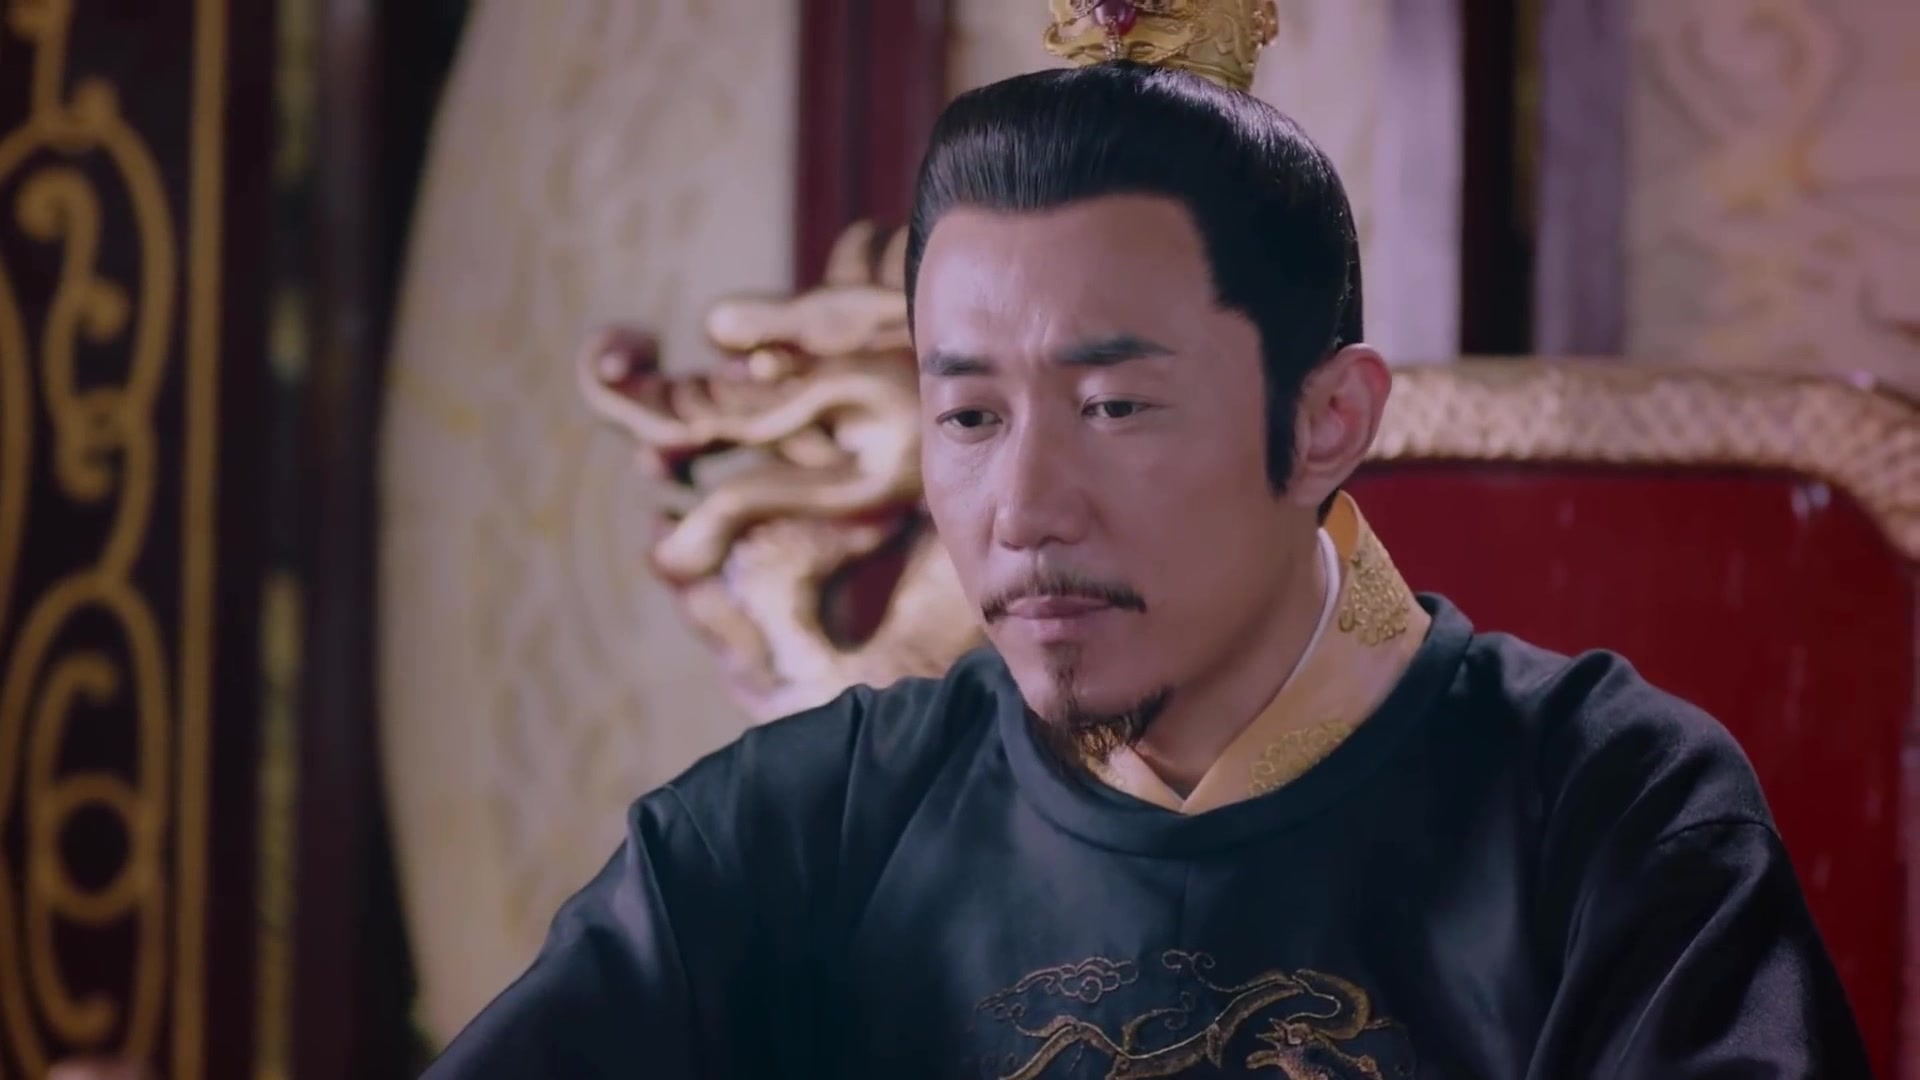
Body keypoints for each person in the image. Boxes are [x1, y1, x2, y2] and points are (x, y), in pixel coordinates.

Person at [424, 5, 1869, 1077]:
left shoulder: (1611, 816)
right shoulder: (790, 836)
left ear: (1326, 420)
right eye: (969, 415)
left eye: (1115, 406)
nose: (1024, 508)